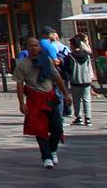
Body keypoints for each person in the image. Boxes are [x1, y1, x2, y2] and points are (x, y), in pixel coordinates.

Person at [14, 38, 70, 169]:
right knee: (40, 129)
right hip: (34, 98)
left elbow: (57, 77)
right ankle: (46, 157)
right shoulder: (22, 64)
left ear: (39, 47)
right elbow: (19, 85)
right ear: (26, 48)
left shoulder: (47, 60)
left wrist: (66, 94)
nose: (34, 48)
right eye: (31, 46)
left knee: (57, 127)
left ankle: (52, 149)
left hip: (49, 96)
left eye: (36, 45)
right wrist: (22, 103)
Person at [65, 35, 96, 127]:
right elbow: (88, 66)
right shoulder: (86, 55)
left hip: (76, 80)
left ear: (73, 45)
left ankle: (78, 117)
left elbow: (69, 69)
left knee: (76, 99)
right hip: (86, 80)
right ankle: (88, 118)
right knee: (87, 99)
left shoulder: (70, 56)